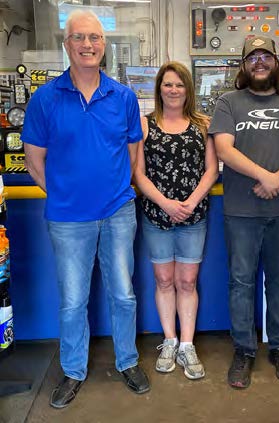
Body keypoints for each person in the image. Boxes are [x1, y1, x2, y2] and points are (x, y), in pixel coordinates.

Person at [21, 9, 150, 408]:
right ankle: (74, 370)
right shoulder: (45, 99)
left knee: (124, 294)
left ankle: (127, 361)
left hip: (117, 213)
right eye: (79, 38)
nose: (88, 45)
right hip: (68, 219)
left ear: (104, 45)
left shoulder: (123, 97)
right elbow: (33, 159)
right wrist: (61, 194)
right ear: (67, 44)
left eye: (94, 38)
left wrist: (110, 191)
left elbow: (132, 155)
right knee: (73, 300)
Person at [209, 36, 279, 389]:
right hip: (241, 210)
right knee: (240, 282)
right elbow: (224, 149)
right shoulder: (228, 102)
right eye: (252, 57)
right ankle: (244, 350)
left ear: (275, 63)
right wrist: (265, 177)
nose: (259, 62)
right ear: (243, 65)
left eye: (265, 56)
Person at [133, 62, 218, 380]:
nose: (173, 90)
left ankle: (187, 344)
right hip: (157, 216)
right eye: (167, 84)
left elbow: (211, 169)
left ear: (188, 90)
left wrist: (191, 202)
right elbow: (138, 173)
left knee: (187, 282)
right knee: (165, 281)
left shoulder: (202, 124)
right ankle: (169, 340)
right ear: (159, 89)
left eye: (179, 85)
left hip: (194, 216)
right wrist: (166, 203)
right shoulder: (145, 125)